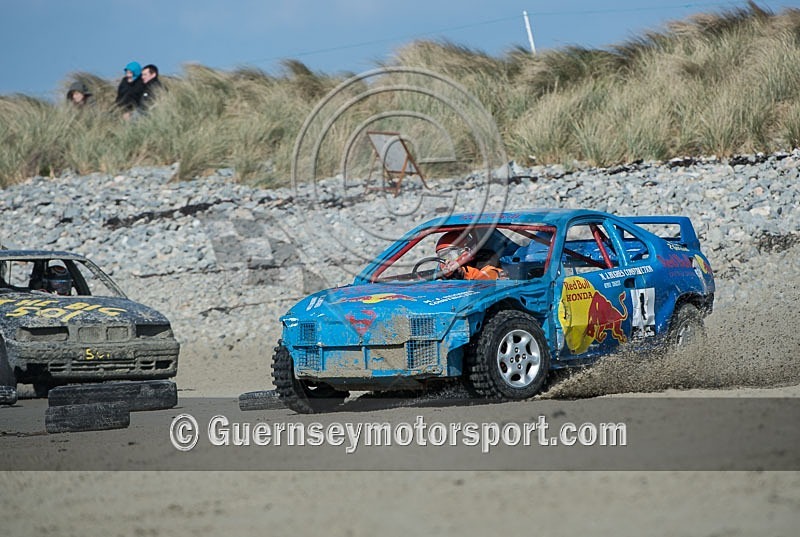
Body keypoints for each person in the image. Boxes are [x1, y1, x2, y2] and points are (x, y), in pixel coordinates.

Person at [435, 231, 503, 280]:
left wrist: (462, 273)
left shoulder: (485, 260)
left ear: (466, 250)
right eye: (442, 255)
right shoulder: (443, 268)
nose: (447, 260)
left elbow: (489, 277)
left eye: (450, 254)